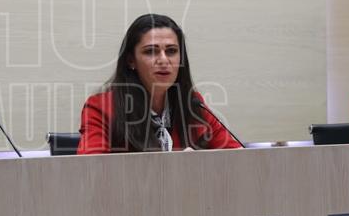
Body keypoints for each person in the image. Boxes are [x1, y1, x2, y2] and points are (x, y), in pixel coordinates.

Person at [77, 13, 243, 153]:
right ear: (131, 60)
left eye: (171, 51)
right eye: (151, 51)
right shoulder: (102, 108)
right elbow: (91, 170)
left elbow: (238, 159)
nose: (163, 60)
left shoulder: (193, 104)